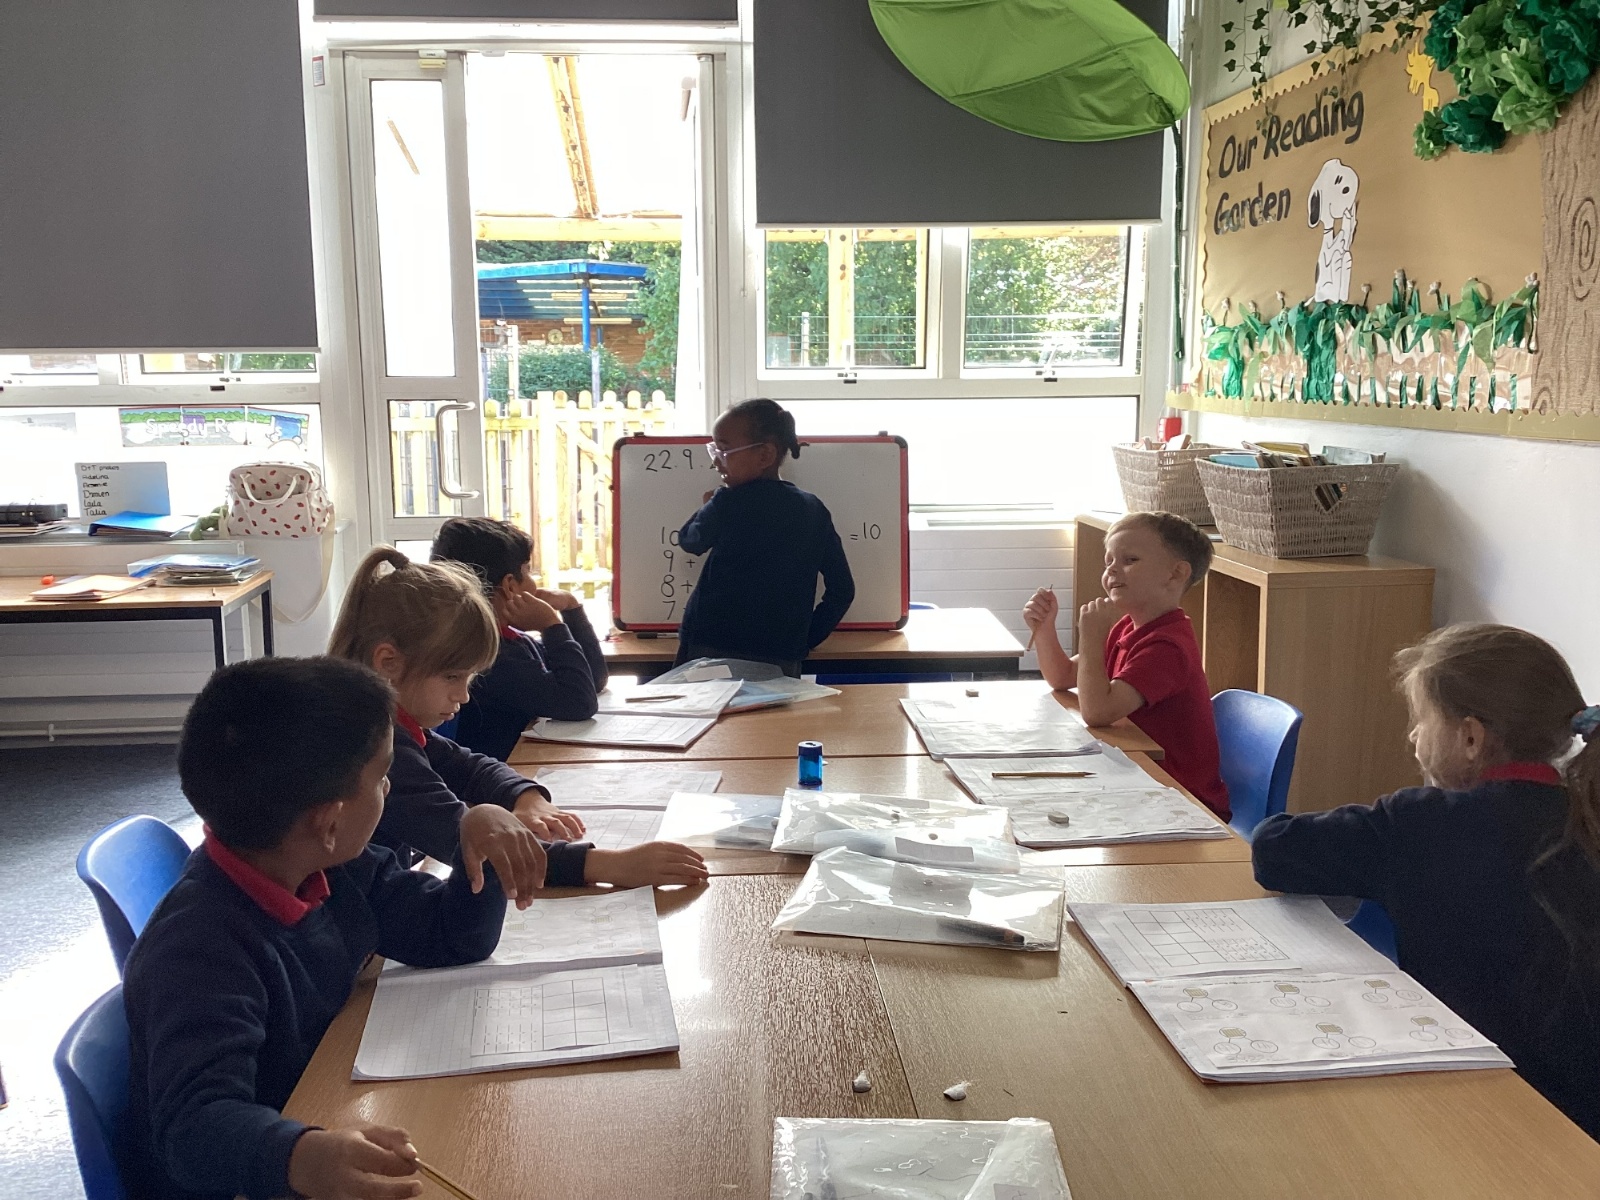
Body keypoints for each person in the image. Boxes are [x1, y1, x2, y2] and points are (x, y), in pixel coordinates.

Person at [123, 656, 506, 1200]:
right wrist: (299, 1155)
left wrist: (480, 852)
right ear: (329, 822)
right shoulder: (198, 948)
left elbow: (448, 935)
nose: (389, 786)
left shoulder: (331, 867)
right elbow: (194, 1124)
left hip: (325, 1106)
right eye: (381, 777)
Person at [1253, 624, 1600, 1140]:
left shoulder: (1420, 824)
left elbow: (1273, 850)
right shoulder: (1587, 816)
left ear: (1470, 738)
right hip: (1580, 1115)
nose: (1414, 737)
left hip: (1467, 1104)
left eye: (1421, 720)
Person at [329, 546, 707, 889]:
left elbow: (470, 766)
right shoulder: (372, 749)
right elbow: (478, 846)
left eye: (469, 678)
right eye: (452, 676)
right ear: (388, 663)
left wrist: (524, 796)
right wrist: (610, 865)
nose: (463, 695)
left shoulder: (386, 724)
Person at [1022, 511, 1228, 817]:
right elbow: (1063, 676)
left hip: (1180, 799)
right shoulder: (1127, 626)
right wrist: (1044, 628)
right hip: (1139, 780)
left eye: (1130, 560)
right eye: (1109, 561)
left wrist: (1090, 637)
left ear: (1175, 574)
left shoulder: (1167, 647)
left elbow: (1097, 712)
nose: (1112, 570)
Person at [674, 399, 855, 676]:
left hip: (711, 651)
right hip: (780, 656)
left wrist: (707, 506)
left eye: (724, 450)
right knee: (776, 707)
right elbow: (842, 589)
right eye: (714, 449)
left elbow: (690, 540)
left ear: (765, 455)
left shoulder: (727, 503)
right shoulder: (812, 509)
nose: (715, 460)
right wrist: (806, 638)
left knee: (709, 706)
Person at [430, 516, 609, 761]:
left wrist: (571, 608)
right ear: (510, 586)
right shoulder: (492, 657)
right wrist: (552, 626)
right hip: (500, 773)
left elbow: (594, 680)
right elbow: (579, 703)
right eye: (528, 570)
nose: (534, 583)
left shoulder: (507, 640)